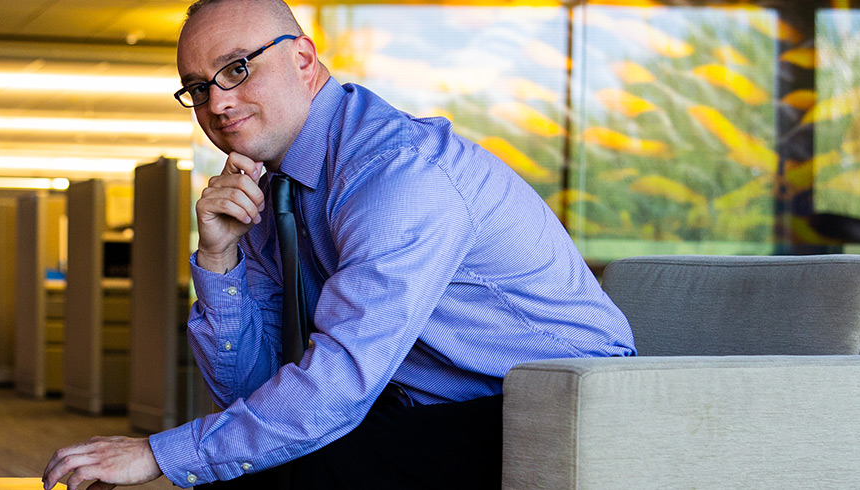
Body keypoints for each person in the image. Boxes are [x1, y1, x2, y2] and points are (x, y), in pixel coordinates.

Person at [41, 1, 635, 488]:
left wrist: (161, 453)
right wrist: (220, 258)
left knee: (274, 474)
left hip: (554, 407)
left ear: (303, 59)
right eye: (197, 88)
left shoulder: (394, 173)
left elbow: (339, 383)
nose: (217, 103)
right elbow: (250, 390)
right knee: (260, 462)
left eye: (237, 68)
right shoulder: (277, 190)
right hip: (425, 405)